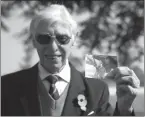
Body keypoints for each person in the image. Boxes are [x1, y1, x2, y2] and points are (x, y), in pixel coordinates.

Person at [1, 4, 140, 116]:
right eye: (44, 38)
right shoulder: (6, 86)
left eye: (62, 38)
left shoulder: (97, 90)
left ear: (74, 39)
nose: (53, 47)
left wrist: (125, 108)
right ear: (34, 41)